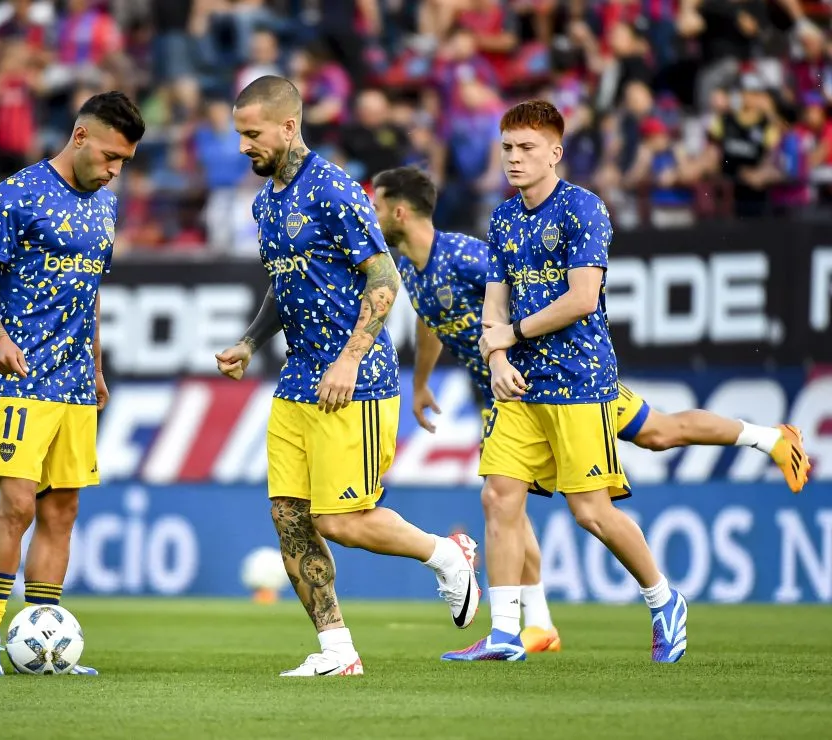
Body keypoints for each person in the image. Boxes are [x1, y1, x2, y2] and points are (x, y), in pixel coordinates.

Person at [372, 164, 811, 654]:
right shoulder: (410, 266)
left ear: (400, 210)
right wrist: (421, 383)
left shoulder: (463, 253)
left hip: (555, 380)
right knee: (505, 500)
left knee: (655, 438)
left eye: (375, 202)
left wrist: (509, 350)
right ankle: (530, 627)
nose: (370, 211)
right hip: (504, 394)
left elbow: (520, 294)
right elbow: (434, 320)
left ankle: (767, 438)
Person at [214, 75, 479, 677]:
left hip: (355, 379)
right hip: (299, 378)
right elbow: (286, 285)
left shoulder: (333, 189)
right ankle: (338, 652)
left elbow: (383, 279)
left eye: (252, 134)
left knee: (340, 519)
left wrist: (350, 357)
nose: (243, 147)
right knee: (290, 516)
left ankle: (447, 554)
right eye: (238, 135)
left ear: (288, 126)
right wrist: (250, 342)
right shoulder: (265, 203)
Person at [442, 99, 683, 663]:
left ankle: (664, 598)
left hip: (580, 378)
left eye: (527, 148)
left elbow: (582, 299)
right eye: (507, 147)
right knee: (499, 496)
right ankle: (506, 633)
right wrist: (499, 361)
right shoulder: (502, 218)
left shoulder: (584, 210)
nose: (514, 158)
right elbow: (492, 307)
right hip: (522, 384)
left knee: (591, 512)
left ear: (556, 152)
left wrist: (510, 337)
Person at [0, 91, 145, 676]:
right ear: (81, 136)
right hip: (21, 374)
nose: (115, 170)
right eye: (112, 156)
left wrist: (95, 365)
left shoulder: (105, 207)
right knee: (15, 507)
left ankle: (44, 643)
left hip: (73, 381)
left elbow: (89, 295)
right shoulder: (18, 193)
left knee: (61, 512)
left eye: (125, 163)